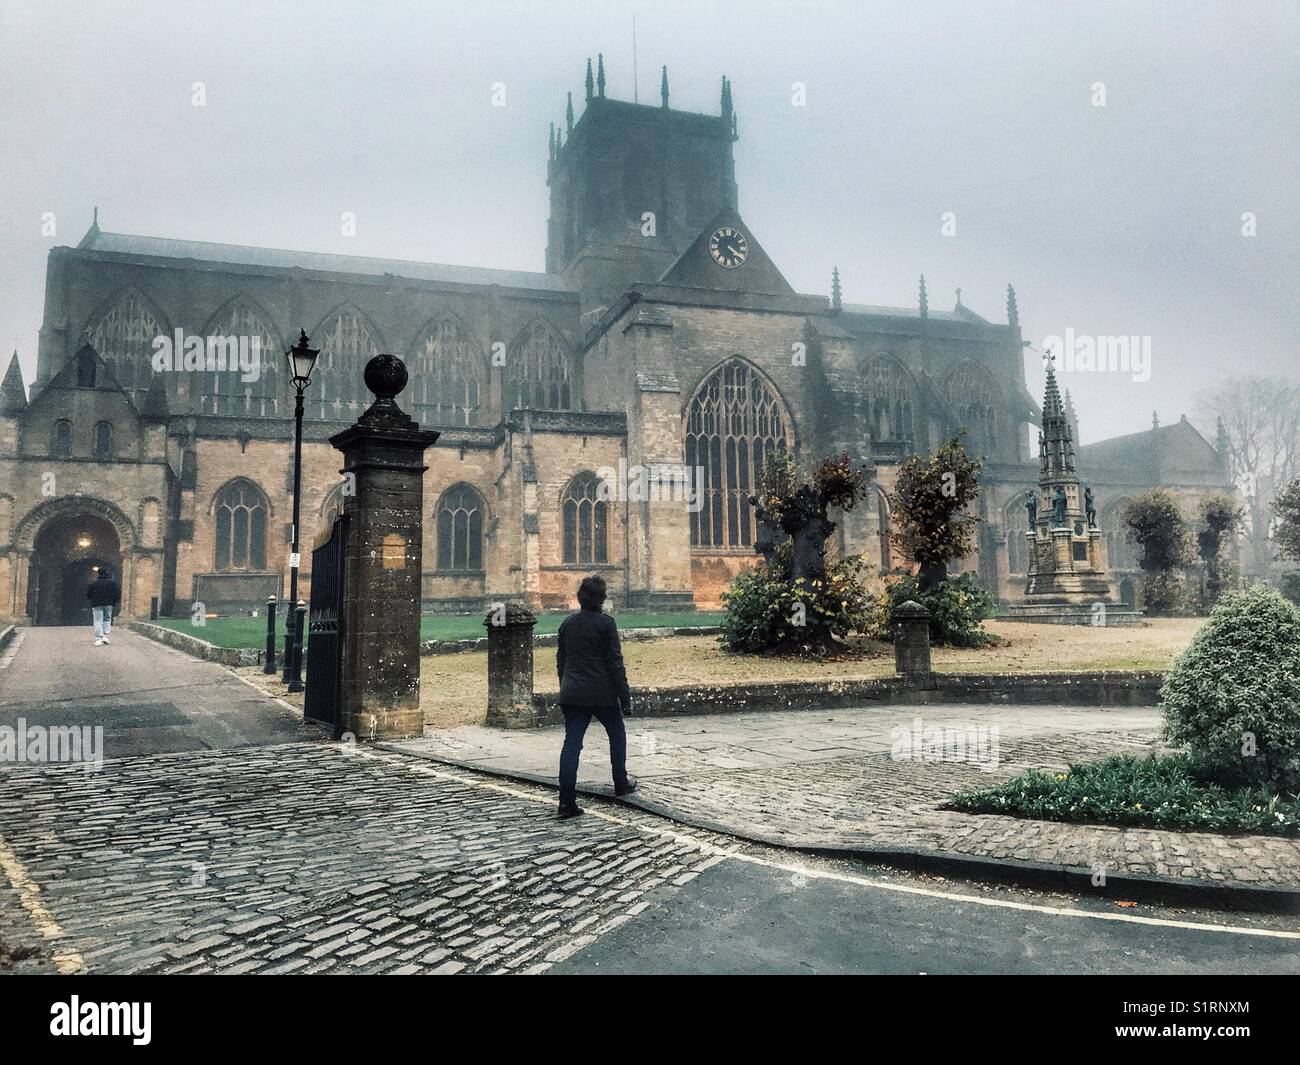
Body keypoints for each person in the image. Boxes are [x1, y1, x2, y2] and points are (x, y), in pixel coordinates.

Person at [555, 575, 637, 819]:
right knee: (617, 734)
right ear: (602, 599)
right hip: (602, 694)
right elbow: (615, 663)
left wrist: (566, 687)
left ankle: (566, 801)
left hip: (573, 693)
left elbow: (561, 662)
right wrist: (625, 695)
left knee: (571, 745)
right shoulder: (606, 624)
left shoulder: (567, 624)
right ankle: (620, 782)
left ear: (580, 598)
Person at [87, 566, 121, 646]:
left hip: (97, 604)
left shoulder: (93, 584)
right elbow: (117, 594)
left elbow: (88, 595)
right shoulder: (112, 584)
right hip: (109, 604)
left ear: (98, 574)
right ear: (107, 574)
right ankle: (106, 636)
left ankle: (99, 638)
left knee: (98, 621)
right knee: (107, 620)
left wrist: (93, 600)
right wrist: (113, 602)